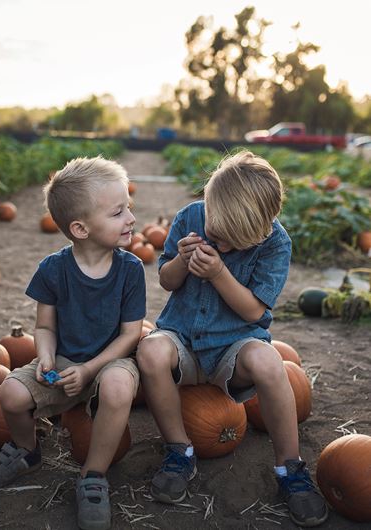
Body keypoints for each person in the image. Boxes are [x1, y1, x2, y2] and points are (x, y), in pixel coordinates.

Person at [136, 150, 328, 527]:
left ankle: (290, 469)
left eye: (229, 242)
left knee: (272, 362)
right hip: (183, 342)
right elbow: (166, 280)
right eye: (215, 233)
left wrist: (220, 273)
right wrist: (180, 261)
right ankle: (180, 450)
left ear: (260, 230)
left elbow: (255, 312)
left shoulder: (276, 244)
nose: (218, 243)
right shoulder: (190, 218)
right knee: (150, 348)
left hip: (233, 347)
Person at [0, 156, 146, 530]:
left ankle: (93, 475)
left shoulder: (130, 269)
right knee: (11, 395)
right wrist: (47, 358)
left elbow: (131, 334)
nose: (131, 218)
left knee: (118, 386)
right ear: (81, 228)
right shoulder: (53, 270)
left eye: (128, 208)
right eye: (119, 212)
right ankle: (27, 450)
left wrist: (90, 370)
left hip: (110, 363)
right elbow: (45, 327)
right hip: (66, 361)